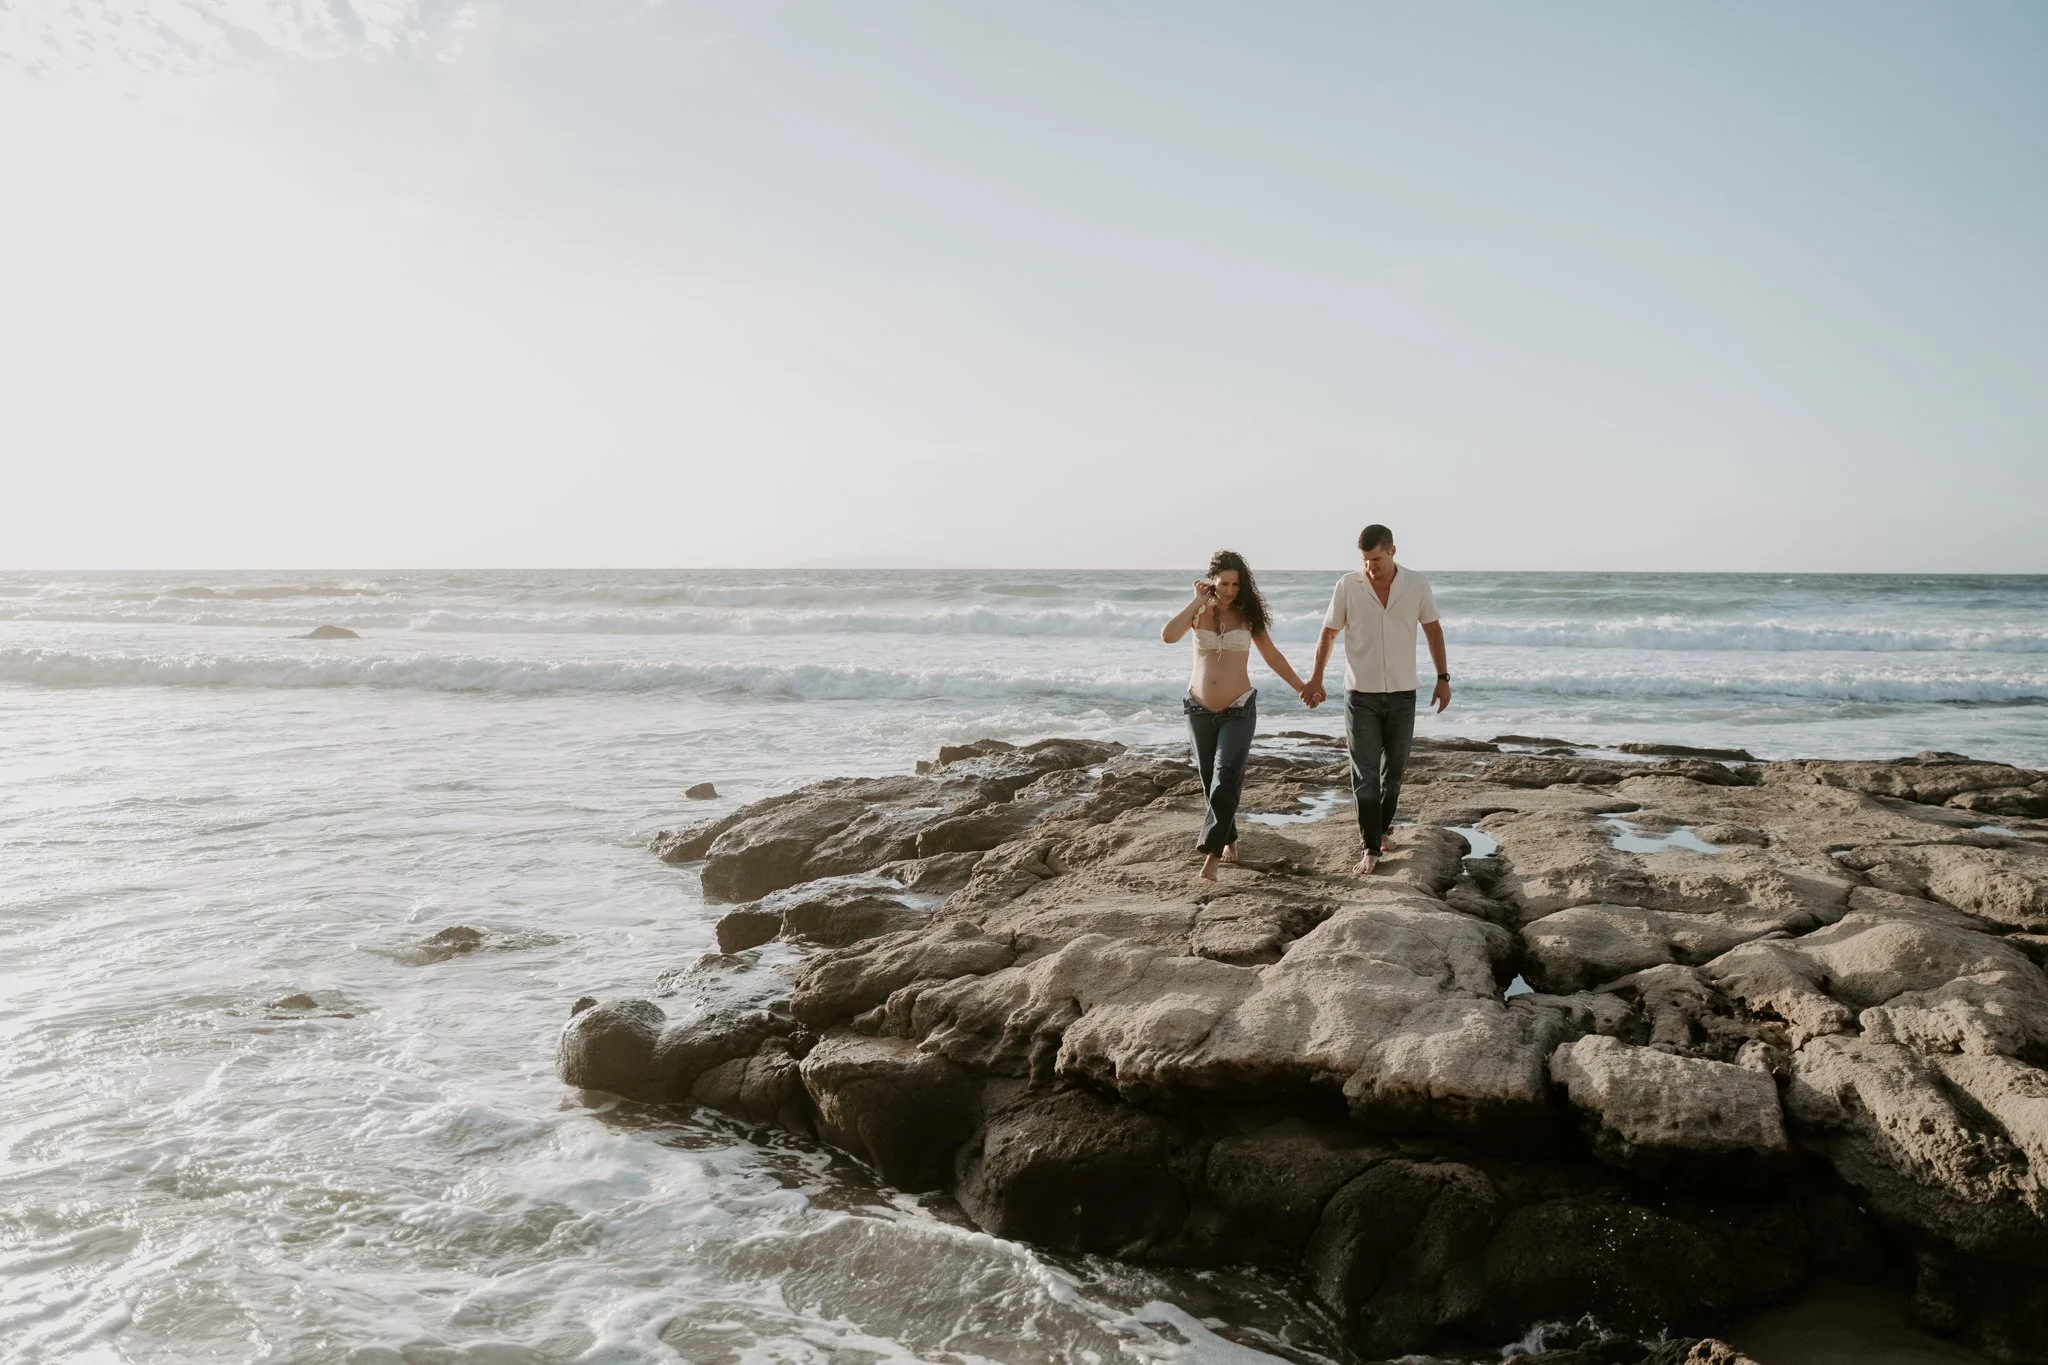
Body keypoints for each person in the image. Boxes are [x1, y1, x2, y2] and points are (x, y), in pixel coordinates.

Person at [1301, 524, 1451, 875]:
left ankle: (1381, 829)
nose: (1371, 567)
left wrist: (1443, 679)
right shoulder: (1347, 586)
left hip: (1403, 694)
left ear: (1393, 551)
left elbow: (1433, 630)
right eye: (1365, 560)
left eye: (1377, 559)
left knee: (1393, 774)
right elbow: (1329, 632)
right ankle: (1370, 846)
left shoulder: (1416, 584)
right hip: (1360, 696)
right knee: (1365, 775)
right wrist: (1317, 678)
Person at [1161, 550, 1313, 881]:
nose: (1230, 590)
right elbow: (1168, 635)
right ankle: (1228, 836)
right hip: (1197, 708)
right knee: (1209, 780)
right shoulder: (1199, 610)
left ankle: (1211, 857)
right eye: (1224, 583)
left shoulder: (1248, 614)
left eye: (1235, 584)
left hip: (1238, 708)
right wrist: (1194, 601)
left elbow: (1272, 655)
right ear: (1212, 582)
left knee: (1226, 774)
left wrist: (1301, 686)